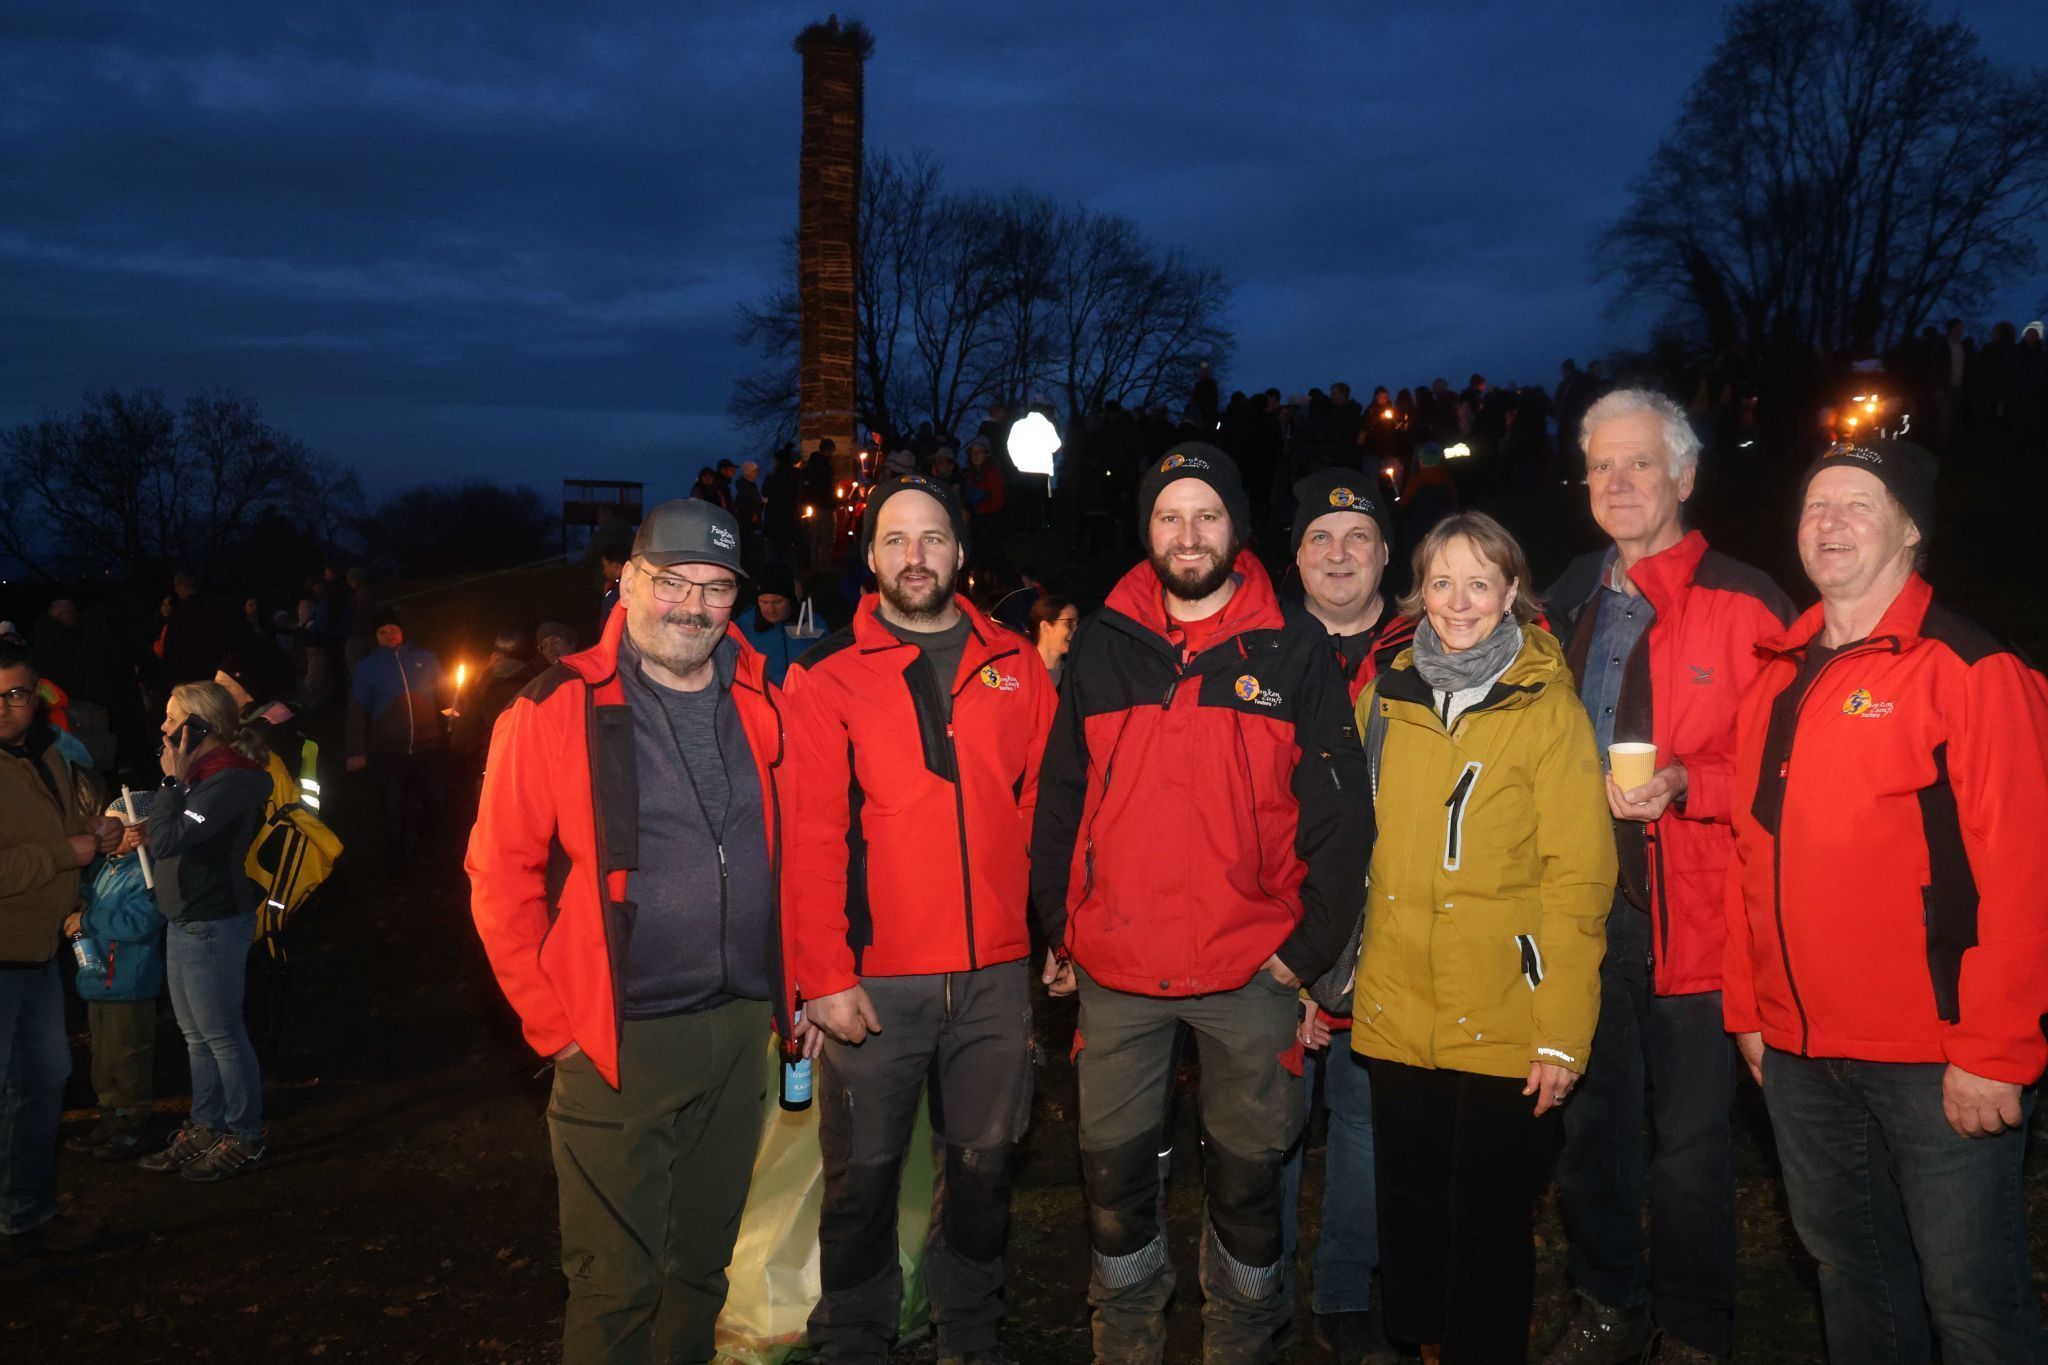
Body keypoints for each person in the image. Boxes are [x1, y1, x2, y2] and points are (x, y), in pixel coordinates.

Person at [1031, 443, 1372, 1362]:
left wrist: (1306, 952)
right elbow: (1063, 797)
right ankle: (1129, 1343)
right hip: (1121, 967)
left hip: (1250, 971)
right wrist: (1056, 925)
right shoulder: (1104, 643)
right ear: (1147, 531)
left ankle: (1242, 1343)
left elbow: (1344, 818)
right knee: (1112, 1184)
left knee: (1252, 1188)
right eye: (1170, 516)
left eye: (1208, 514)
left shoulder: (1293, 649)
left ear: (1238, 529)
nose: (1190, 534)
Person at [1724, 438, 2048, 1363]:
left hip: (1937, 1061)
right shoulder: (1776, 675)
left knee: (1973, 1304)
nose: (1829, 521)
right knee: (1852, 1279)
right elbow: (1749, 853)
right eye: (1816, 503)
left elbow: (2025, 873)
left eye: (1859, 503)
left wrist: (1997, 1050)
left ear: (1910, 530)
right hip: (1799, 1058)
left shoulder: (1972, 671)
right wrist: (1751, 1008)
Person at [468, 498, 791, 1365]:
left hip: (738, 1029)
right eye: (671, 581)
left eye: (715, 588)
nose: (692, 606)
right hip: (616, 1038)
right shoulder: (553, 706)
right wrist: (554, 1025)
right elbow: (499, 877)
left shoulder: (764, 697)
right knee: (615, 1284)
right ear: (627, 581)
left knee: (701, 1269)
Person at [1540, 390, 1792, 1365]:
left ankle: (1692, 1329)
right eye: (1601, 465)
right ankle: (1606, 1302)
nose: (1617, 481)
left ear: (1683, 477)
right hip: (1578, 911)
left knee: (1688, 1148)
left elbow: (1788, 769)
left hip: (1692, 910)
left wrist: (1690, 780)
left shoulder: (1743, 601)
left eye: (1639, 462)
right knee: (1587, 1133)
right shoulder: (1563, 595)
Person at [783, 473, 1057, 1363]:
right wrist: (822, 973)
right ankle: (855, 1339)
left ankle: (970, 1334)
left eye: (932, 537)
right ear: (869, 558)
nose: (915, 555)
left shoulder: (1015, 662)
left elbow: (1046, 809)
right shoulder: (829, 672)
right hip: (876, 981)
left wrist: (1054, 934)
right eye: (895, 539)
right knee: (861, 1181)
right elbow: (810, 834)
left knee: (982, 1173)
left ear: (960, 553)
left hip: (991, 978)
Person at [1351, 512, 1615, 1364]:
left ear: (1511, 594)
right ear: (1417, 593)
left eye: (1478, 582)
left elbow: (1578, 879)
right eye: (1440, 582)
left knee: (1490, 1223)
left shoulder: (1549, 710)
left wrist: (1561, 1033)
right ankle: (1425, 1346)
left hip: (1508, 1010)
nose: (1457, 601)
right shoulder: (1382, 697)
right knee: (1414, 1213)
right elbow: (1349, 845)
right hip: (1398, 1002)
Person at [1279, 468, 1412, 1364]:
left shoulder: (1423, 653)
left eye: (1357, 537)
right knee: (1272, 1127)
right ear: (1295, 556)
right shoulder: (1257, 653)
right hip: (1280, 940)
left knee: (1367, 1126)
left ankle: (1344, 1291)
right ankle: (1263, 1290)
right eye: (1321, 538)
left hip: (1394, 941)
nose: (1339, 553)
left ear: (1386, 556)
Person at [0, 636, 120, 1250]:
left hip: (38, 953)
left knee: (44, 1080)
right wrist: (59, 855)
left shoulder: (44, 754)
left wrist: (95, 832)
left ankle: (28, 1216)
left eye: (15, 694)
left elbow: (62, 831)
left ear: (36, 697)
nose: (1, 707)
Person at [137, 681, 274, 1182]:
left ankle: (245, 1134)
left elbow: (171, 837)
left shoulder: (228, 782)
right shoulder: (203, 777)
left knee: (222, 1035)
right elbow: (169, 834)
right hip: (186, 917)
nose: (164, 728)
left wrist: (171, 786)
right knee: (196, 1036)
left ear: (199, 727)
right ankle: (206, 1123)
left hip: (213, 920)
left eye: (173, 719)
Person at [64, 793, 166, 1163]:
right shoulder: (108, 867)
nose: (107, 831)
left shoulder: (147, 872)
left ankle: (133, 1123)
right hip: (100, 982)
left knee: (129, 1055)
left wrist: (88, 920)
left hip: (129, 982)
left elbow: (140, 922)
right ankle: (111, 1118)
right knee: (104, 1058)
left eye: (116, 825)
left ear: (140, 829)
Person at [344, 606, 449, 864]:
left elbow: (446, 694)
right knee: (393, 806)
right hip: (389, 752)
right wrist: (355, 750)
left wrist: (455, 713)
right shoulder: (367, 668)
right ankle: (396, 857)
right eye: (383, 631)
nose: (390, 634)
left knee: (435, 801)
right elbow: (356, 711)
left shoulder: (426, 658)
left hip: (429, 747)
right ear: (375, 636)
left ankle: (430, 845)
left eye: (394, 629)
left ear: (403, 631)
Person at [448, 629, 534, 783]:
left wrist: (456, 722)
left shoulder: (482, 683)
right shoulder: (537, 680)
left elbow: (462, 737)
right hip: (528, 762)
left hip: (493, 762)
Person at [736, 564, 802, 686]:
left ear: (791, 599)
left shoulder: (813, 624)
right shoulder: (742, 627)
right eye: (764, 602)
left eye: (778, 602)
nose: (771, 610)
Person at [1026, 595, 1079, 689]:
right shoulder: (1021, 672)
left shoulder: (1075, 676)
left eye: (1077, 624)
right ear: (1045, 627)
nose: (1076, 630)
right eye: (1069, 623)